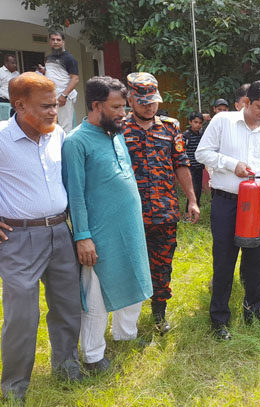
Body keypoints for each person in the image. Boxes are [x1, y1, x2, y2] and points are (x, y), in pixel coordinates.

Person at [62, 76, 153, 375]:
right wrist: (83, 237)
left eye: (123, 107)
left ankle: (125, 336)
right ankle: (92, 355)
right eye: (116, 107)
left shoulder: (116, 134)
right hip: (99, 234)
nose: (122, 113)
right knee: (97, 297)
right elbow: (75, 195)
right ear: (96, 105)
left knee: (134, 279)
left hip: (129, 228)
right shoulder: (76, 142)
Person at [0, 72, 82, 401]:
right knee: (22, 316)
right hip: (18, 239)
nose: (54, 110)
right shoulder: (2, 139)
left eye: (56, 103)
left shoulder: (57, 134)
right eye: (46, 106)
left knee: (67, 306)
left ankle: (67, 368)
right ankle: (13, 386)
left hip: (60, 233)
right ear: (20, 105)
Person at [196, 80, 260, 339]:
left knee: (257, 261)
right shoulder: (223, 122)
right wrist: (232, 164)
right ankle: (219, 319)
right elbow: (201, 153)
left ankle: (252, 312)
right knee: (225, 260)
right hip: (227, 201)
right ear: (247, 102)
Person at [123, 72, 200, 333]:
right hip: (131, 213)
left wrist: (191, 199)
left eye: (152, 101)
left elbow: (181, 164)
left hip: (165, 211)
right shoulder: (119, 128)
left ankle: (158, 314)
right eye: (143, 101)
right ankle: (127, 321)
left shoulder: (170, 126)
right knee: (131, 264)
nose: (149, 106)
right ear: (130, 99)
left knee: (162, 263)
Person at [37, 31, 79, 133]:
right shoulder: (50, 57)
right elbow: (55, 74)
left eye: (58, 40)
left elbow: (75, 79)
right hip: (52, 97)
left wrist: (64, 96)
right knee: (52, 126)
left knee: (65, 128)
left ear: (63, 42)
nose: (55, 42)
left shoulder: (69, 58)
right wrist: (44, 72)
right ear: (49, 42)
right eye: (53, 39)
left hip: (64, 97)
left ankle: (66, 149)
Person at [183, 112, 205, 220]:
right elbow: (182, 150)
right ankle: (187, 214)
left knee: (198, 190)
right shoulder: (186, 135)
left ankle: (196, 210)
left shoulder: (202, 134)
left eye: (200, 123)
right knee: (192, 189)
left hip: (199, 166)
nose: (198, 125)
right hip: (190, 166)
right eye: (195, 122)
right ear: (190, 122)